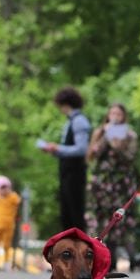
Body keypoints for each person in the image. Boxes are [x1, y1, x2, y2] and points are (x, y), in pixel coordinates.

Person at [85, 103, 140, 267]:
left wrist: (116, 142)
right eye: (112, 113)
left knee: (119, 220)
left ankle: (119, 257)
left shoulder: (129, 134)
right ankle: (99, 257)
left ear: (124, 117)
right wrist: (103, 137)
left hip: (121, 183)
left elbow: (130, 157)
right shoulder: (100, 132)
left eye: (118, 114)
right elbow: (91, 156)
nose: (115, 117)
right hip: (101, 183)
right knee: (98, 218)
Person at [40, 87, 91, 231]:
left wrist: (58, 148)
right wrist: (54, 151)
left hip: (75, 173)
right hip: (66, 172)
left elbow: (81, 149)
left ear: (65, 104)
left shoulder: (79, 121)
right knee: (66, 213)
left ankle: (79, 242)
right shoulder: (69, 122)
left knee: (75, 212)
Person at [0, 175, 22, 270]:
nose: (5, 190)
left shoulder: (12, 197)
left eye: (6, 187)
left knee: (6, 244)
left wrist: (10, 193)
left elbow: (18, 201)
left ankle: (6, 262)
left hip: (8, 225)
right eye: (2, 188)